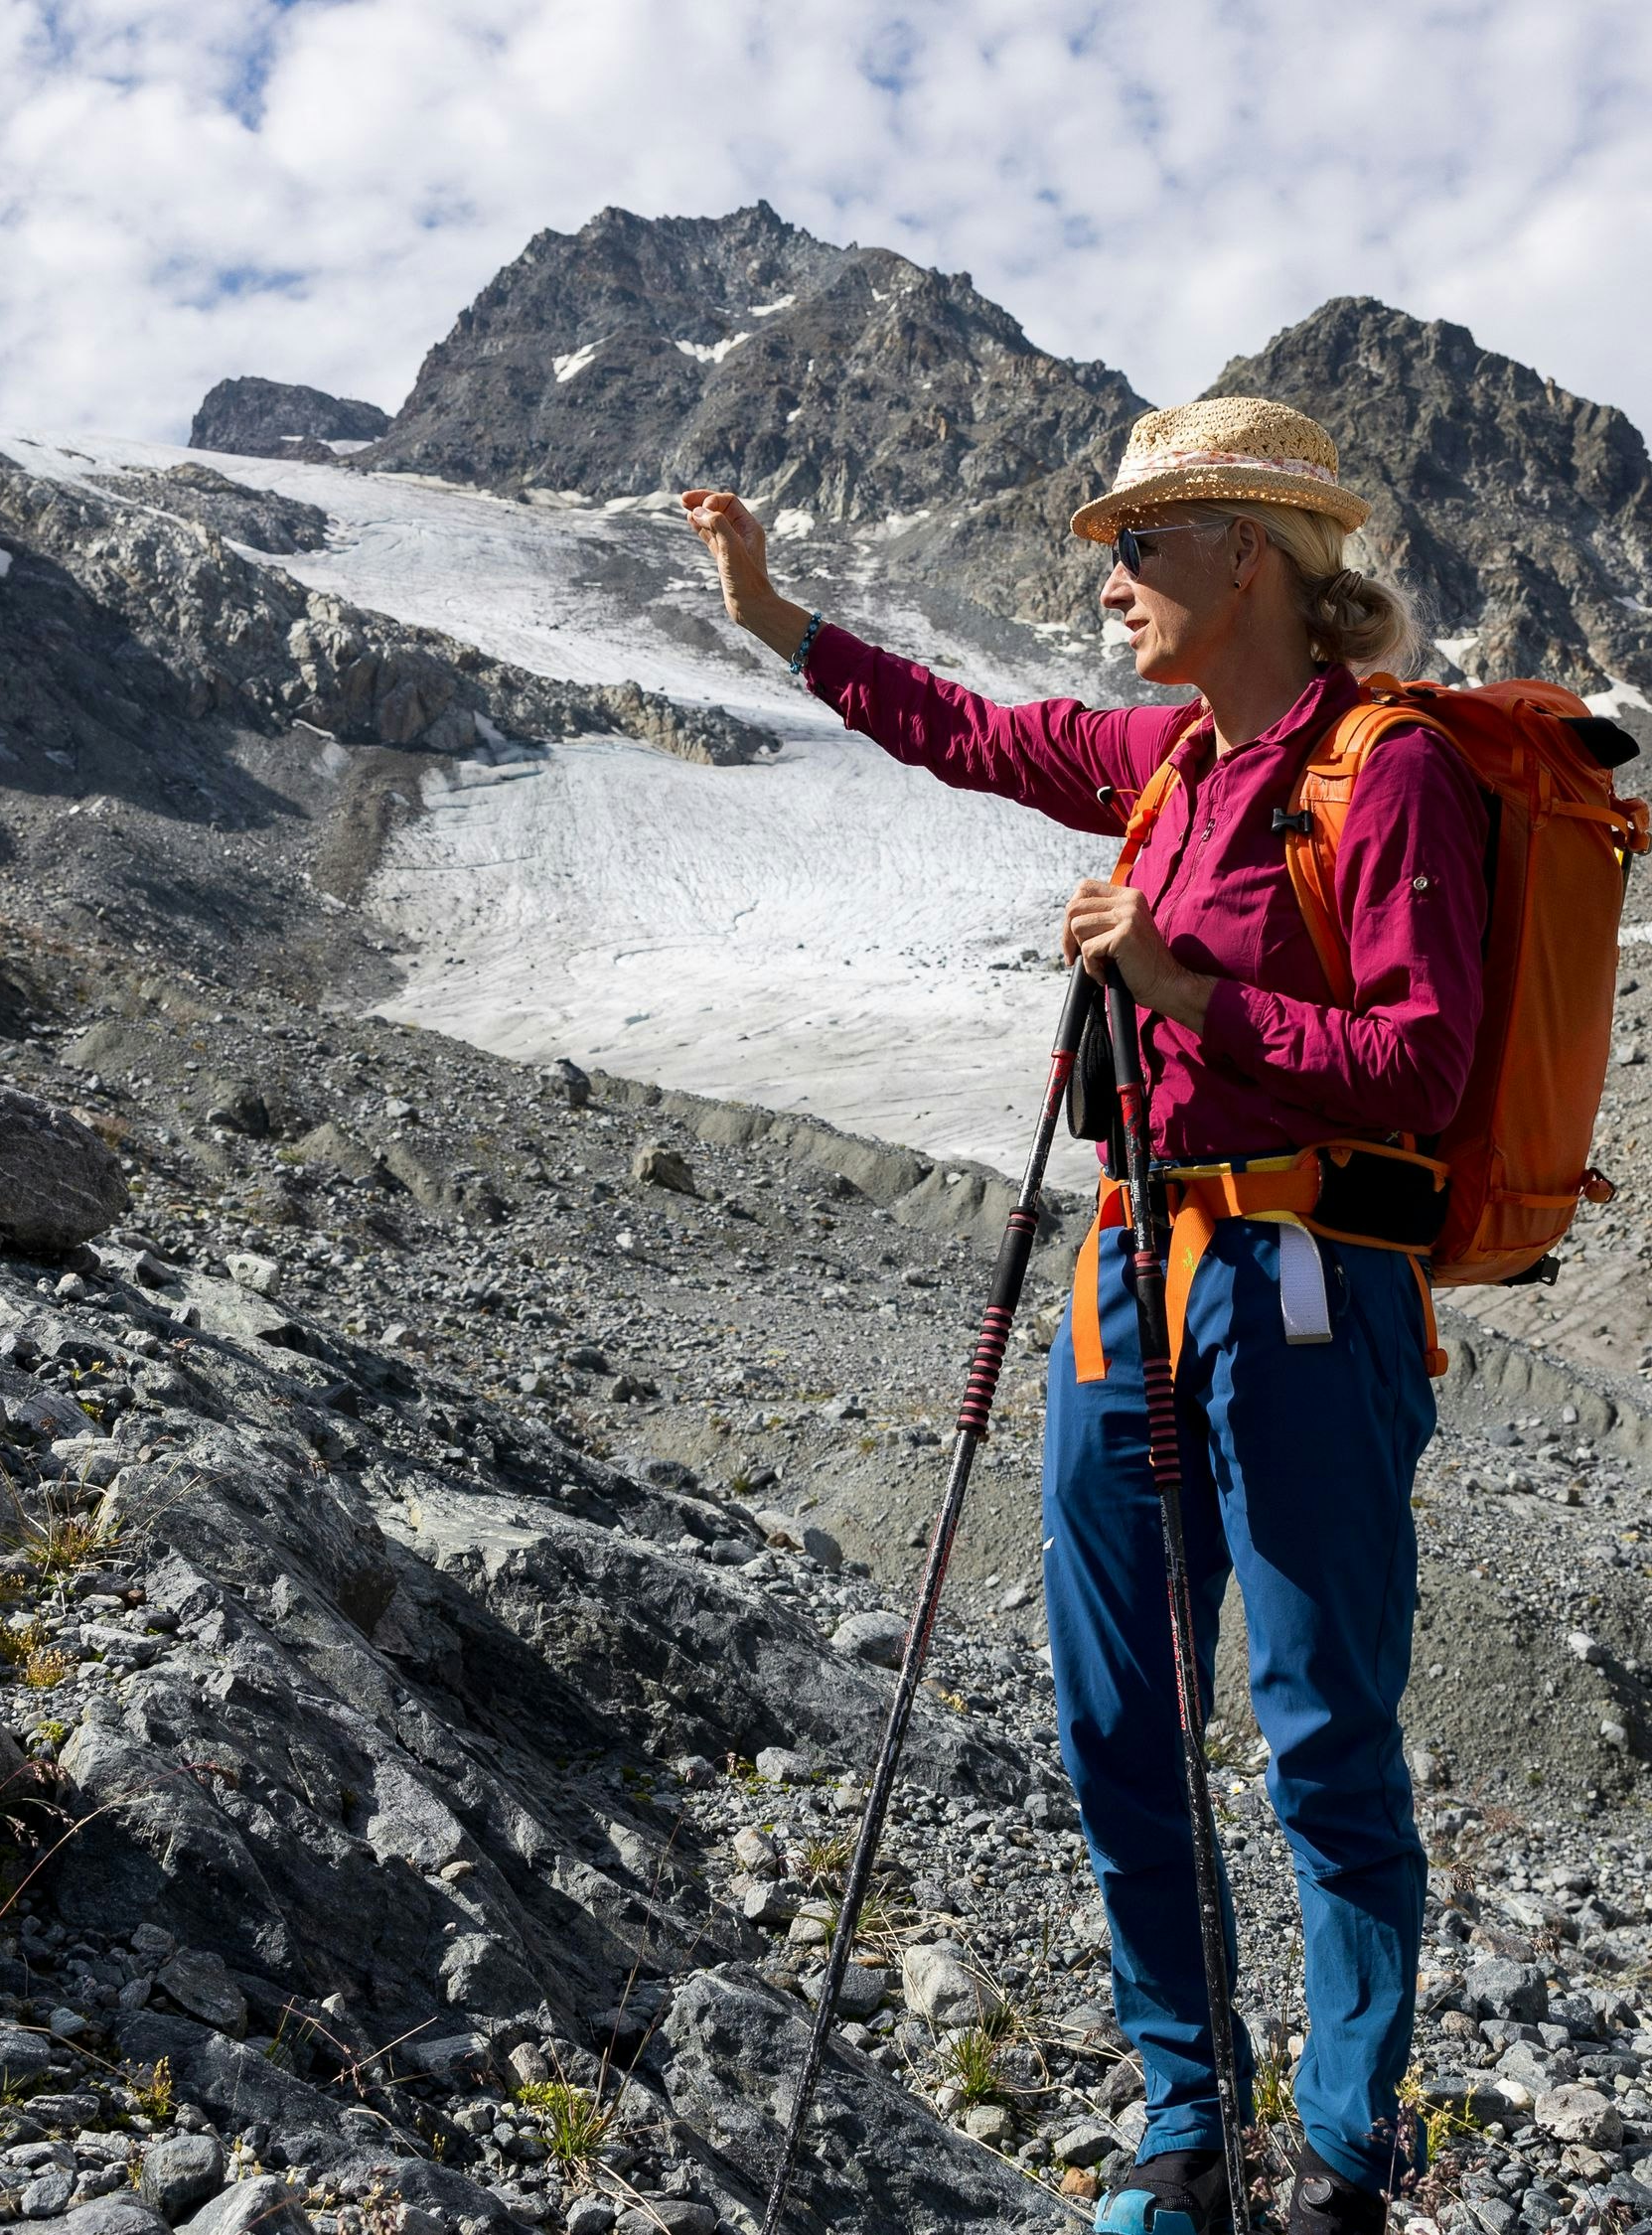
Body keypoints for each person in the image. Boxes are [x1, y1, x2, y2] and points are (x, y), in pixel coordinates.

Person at [681, 396, 1481, 2235]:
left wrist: (1182, 987)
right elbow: (972, 730)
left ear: (1255, 555)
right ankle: (1186, 2122)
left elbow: (1424, 1069)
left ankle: (1346, 2162)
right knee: (1120, 1708)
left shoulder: (1390, 769)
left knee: (1317, 1721)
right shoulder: (1160, 758)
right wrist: (772, 620)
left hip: (1304, 1277)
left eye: (1143, 539)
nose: (1108, 575)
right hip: (1132, 1268)